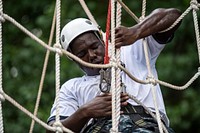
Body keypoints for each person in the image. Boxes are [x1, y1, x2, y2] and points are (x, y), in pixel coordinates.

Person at [46, 8, 181, 133]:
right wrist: (85, 112)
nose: (92, 55)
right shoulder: (72, 88)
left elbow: (174, 16)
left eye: (94, 46)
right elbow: (52, 130)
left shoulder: (134, 51)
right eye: (82, 54)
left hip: (147, 127)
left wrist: (136, 31)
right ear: (73, 58)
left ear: (102, 40)